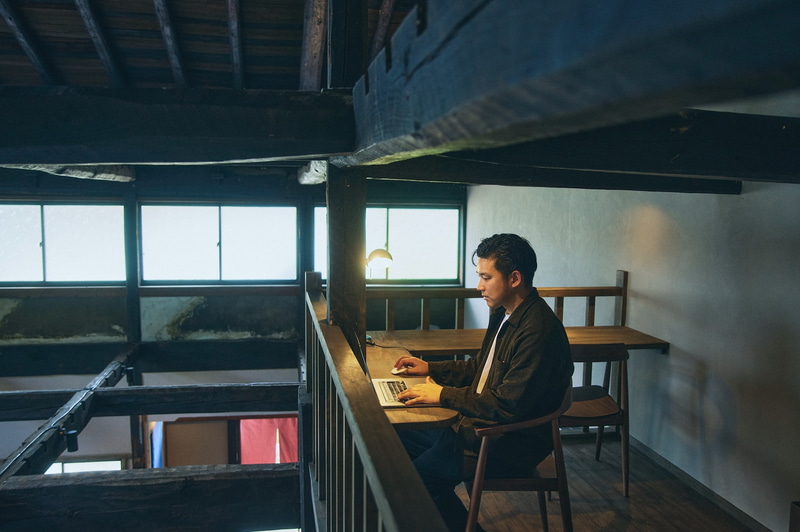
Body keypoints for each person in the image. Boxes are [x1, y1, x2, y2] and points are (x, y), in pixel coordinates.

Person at [394, 233, 574, 531]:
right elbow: (480, 368)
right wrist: (431, 368)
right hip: (474, 428)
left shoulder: (537, 331)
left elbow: (505, 404)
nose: (479, 286)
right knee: (396, 438)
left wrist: (442, 396)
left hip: (504, 444)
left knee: (415, 482)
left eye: (486, 277)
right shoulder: (505, 312)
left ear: (514, 278)